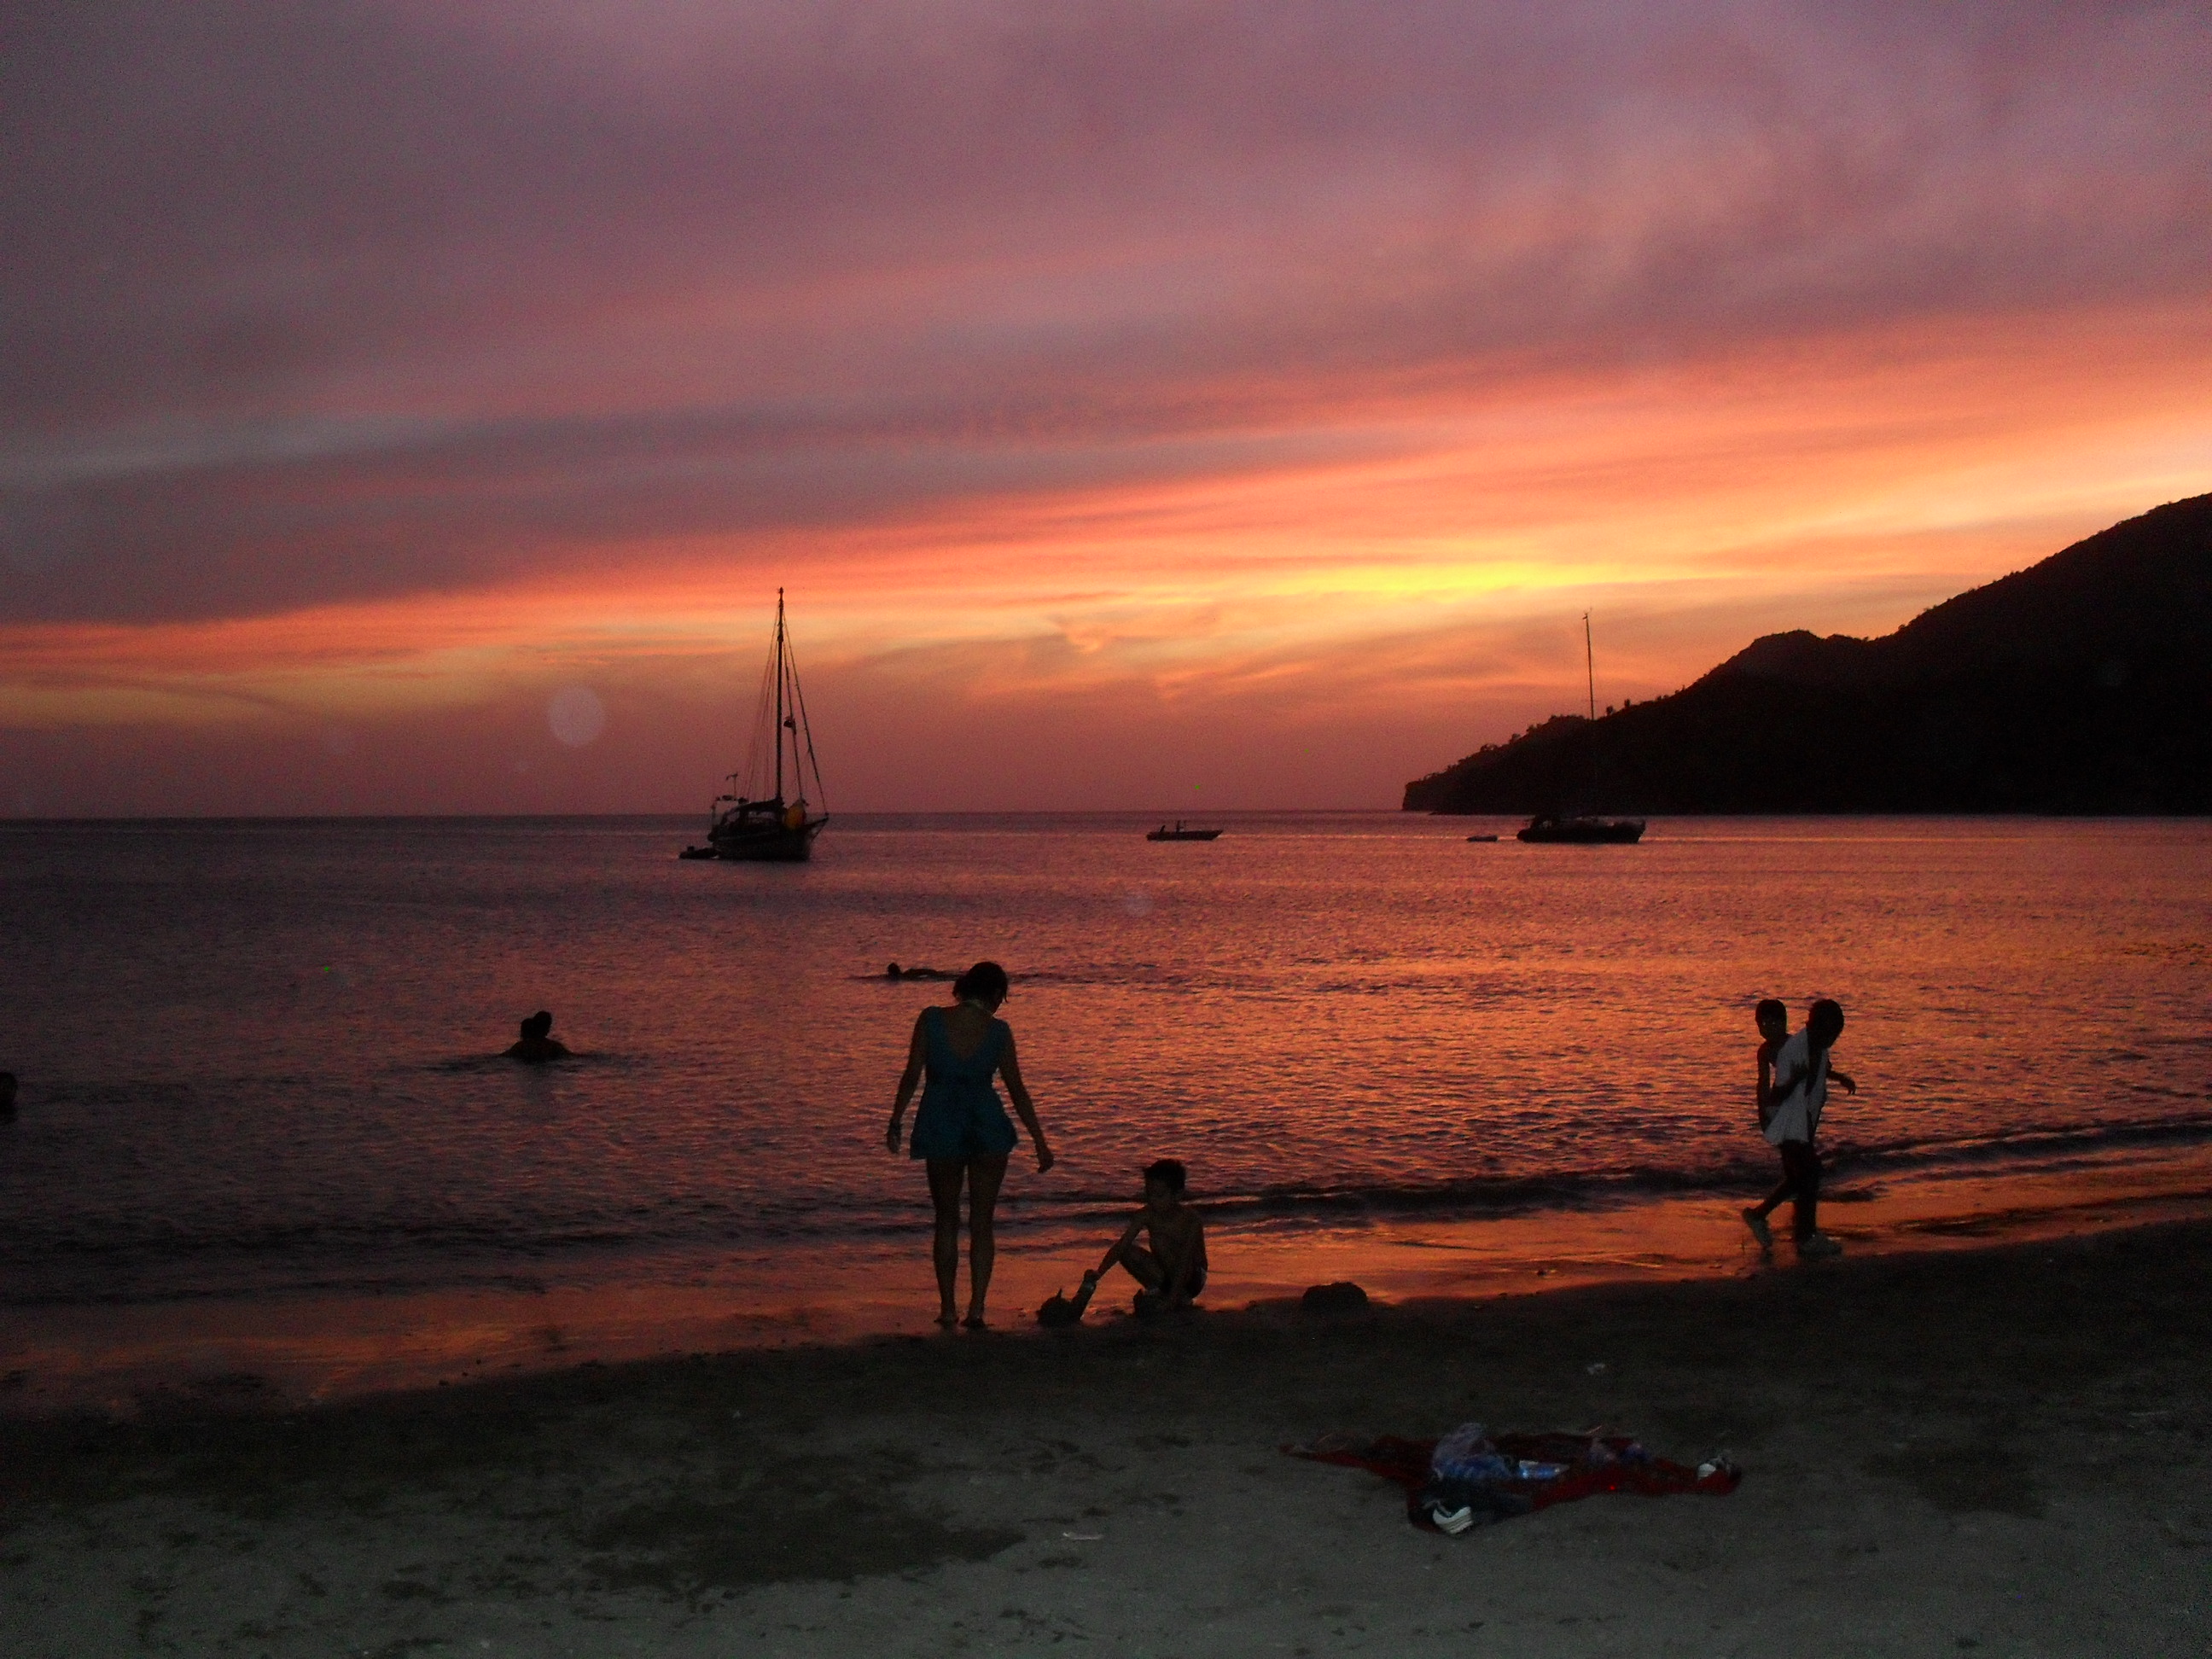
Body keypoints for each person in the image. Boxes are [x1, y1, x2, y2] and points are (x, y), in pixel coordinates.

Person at [885, 961, 1055, 1328]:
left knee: (946, 1220)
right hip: (987, 1128)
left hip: (941, 1124)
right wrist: (1040, 1140)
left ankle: (948, 1308)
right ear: (994, 995)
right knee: (982, 1222)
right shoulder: (998, 1032)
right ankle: (977, 1308)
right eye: (1001, 998)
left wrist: (896, 1120)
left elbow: (911, 1075)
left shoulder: (930, 1020)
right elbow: (1017, 1090)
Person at [1742, 998, 1855, 1257]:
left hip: (1799, 1117)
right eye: (1763, 1024)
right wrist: (1764, 1113)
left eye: (1774, 1022)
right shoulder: (1773, 1051)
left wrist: (1838, 1078)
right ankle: (1805, 1235)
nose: (1768, 1028)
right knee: (1808, 1172)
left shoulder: (1802, 1044)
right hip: (1783, 1116)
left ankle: (1760, 1216)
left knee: (1799, 1176)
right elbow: (1767, 1087)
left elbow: (1819, 1069)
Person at [1077, 1158, 1208, 1317]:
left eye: (1159, 1195)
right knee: (1127, 1252)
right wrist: (1099, 1272)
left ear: (1177, 1195)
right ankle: (1158, 1290)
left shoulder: (1191, 1220)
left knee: (1159, 1242)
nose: (1152, 1200)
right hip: (1165, 1273)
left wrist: (1172, 1301)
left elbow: (1185, 1260)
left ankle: (1178, 1296)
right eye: (1149, 1194)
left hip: (1192, 1278)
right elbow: (1121, 1246)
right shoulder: (1145, 1214)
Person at [504, 1010, 571, 1062]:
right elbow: (570, 1056)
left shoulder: (521, 1046)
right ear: (547, 1027)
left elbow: (504, 1057)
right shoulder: (553, 1046)